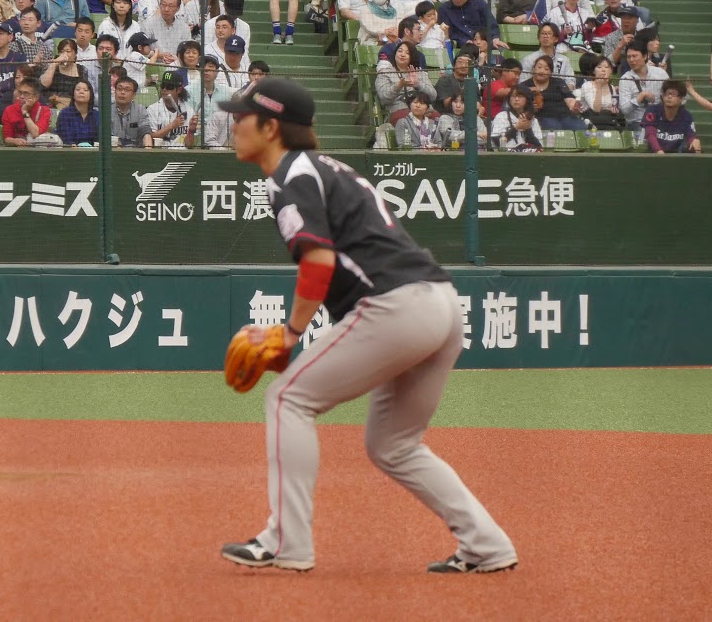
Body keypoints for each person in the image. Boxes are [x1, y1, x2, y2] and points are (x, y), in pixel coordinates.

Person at [217, 76, 517, 574]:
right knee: (393, 444)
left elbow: (318, 260)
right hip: (440, 303)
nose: (233, 125)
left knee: (288, 399)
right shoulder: (324, 168)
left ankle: (286, 541)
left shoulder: (292, 175)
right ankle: (487, 544)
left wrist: (290, 333)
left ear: (270, 128)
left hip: (395, 306)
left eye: (242, 117)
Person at [376, 41, 437, 123]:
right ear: (395, 54)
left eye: (407, 53)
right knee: (409, 121)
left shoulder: (419, 73)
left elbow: (433, 96)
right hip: (400, 110)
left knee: (439, 118)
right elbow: (384, 99)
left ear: (412, 56)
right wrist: (398, 85)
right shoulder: (385, 73)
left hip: (423, 110)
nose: (402, 55)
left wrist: (418, 84)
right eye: (400, 51)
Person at [521, 55, 585, 130]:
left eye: (546, 69)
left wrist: (574, 106)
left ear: (551, 72)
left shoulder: (559, 82)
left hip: (565, 116)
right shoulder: (525, 86)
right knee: (553, 126)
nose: (542, 71)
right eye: (539, 67)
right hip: (544, 117)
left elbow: (569, 98)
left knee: (580, 127)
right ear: (533, 69)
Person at [618, 43, 669, 133]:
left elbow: (671, 93)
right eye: (629, 57)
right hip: (638, 121)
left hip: (660, 119)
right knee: (644, 132)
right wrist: (640, 97)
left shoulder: (660, 73)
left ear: (645, 56)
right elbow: (624, 109)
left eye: (634, 56)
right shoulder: (625, 79)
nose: (631, 60)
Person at [642, 80, 701, 154]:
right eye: (666, 94)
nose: (669, 96)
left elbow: (690, 134)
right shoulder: (653, 110)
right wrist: (658, 151)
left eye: (673, 94)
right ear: (662, 96)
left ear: (681, 99)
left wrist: (694, 141)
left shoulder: (686, 115)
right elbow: (650, 134)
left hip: (676, 155)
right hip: (653, 154)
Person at [1, 78, 53, 146]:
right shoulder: (9, 110)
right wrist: (14, 141)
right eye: (20, 92)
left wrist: (25, 111)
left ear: (36, 97)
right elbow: (7, 139)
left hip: (38, 149)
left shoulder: (44, 111)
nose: (22, 96)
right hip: (16, 149)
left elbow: (35, 133)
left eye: (26, 93)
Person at [490, 85, 543, 151]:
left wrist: (528, 129)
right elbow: (496, 142)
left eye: (520, 96)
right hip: (506, 154)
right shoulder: (501, 116)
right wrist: (516, 128)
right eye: (513, 96)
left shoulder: (533, 120)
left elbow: (539, 147)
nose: (516, 99)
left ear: (527, 99)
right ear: (509, 99)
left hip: (528, 155)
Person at [111, 74, 153, 147]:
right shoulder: (107, 110)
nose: (122, 92)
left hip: (136, 150)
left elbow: (145, 132)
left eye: (127, 90)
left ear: (134, 95)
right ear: (115, 91)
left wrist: (148, 149)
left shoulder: (140, 110)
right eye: (119, 89)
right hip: (113, 149)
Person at [55, 79, 100, 145]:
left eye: (85, 90)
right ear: (73, 94)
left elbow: (100, 139)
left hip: (93, 150)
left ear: (91, 95)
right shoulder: (65, 114)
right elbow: (65, 138)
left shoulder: (97, 115)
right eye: (78, 89)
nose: (81, 92)